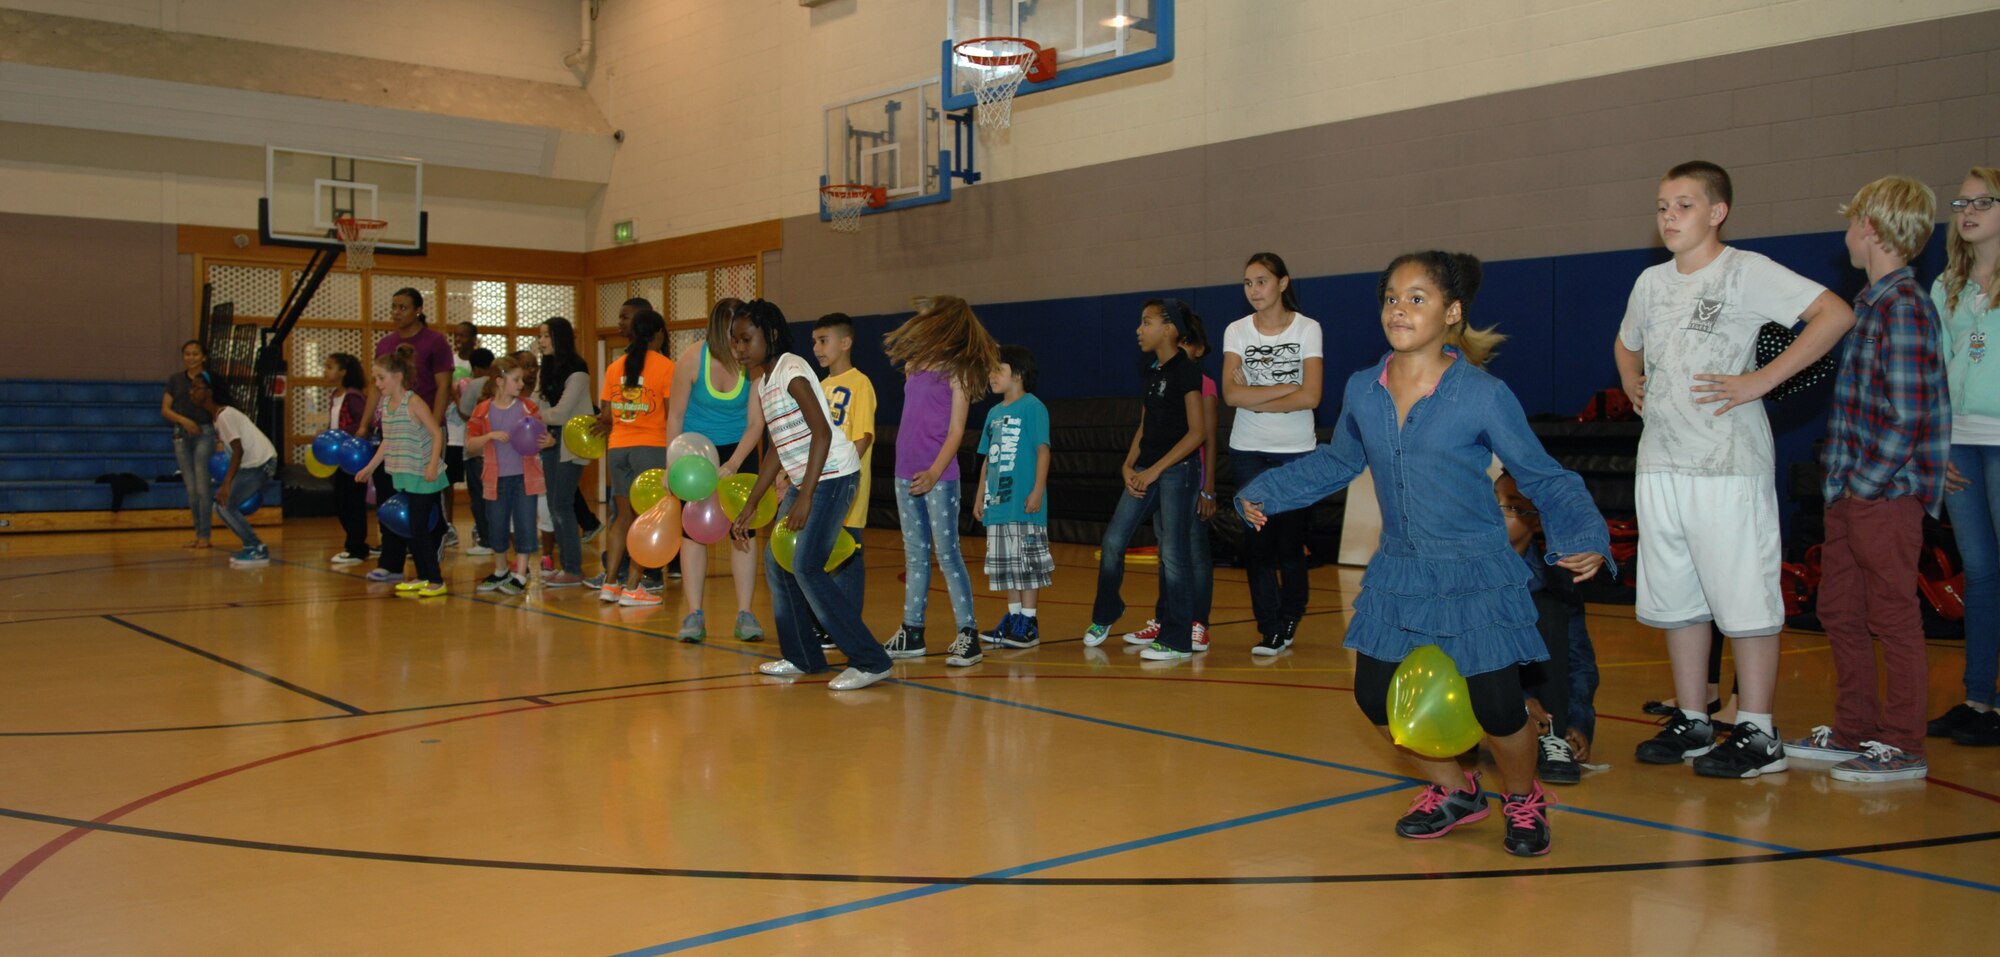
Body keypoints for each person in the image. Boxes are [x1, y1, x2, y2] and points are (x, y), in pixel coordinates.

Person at [1238, 251, 1608, 857]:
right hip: (1402, 567)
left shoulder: (1483, 395)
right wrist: (1265, 492)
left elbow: (1541, 474)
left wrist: (1585, 535)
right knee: (1373, 696)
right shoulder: (1363, 387)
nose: (1399, 309)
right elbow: (1339, 459)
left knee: (1496, 705)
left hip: (1473, 569)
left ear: (1452, 312)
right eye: (1391, 297)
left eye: (1417, 298)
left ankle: (1521, 798)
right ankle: (1458, 792)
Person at [1614, 161, 1856, 779]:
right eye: (1663, 206)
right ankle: (1694, 718)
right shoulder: (1649, 282)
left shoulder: (1747, 272)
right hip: (1662, 463)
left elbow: (1834, 315)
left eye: (1685, 205)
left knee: (1745, 600)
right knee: (1680, 601)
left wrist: (1759, 381)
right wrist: (1630, 380)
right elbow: (1627, 341)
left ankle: (1758, 730)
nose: (1670, 217)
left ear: (1717, 212)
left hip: (1727, 464)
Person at [1781, 176, 1947, 783]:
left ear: (1871, 229)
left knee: (1892, 616)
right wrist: (1843, 488)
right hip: (1852, 490)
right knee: (1840, 609)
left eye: (1853, 222)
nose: (1847, 233)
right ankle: (1854, 726)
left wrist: (1865, 485)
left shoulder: (1903, 307)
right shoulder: (1871, 303)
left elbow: (1906, 417)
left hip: (1884, 494)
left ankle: (1903, 740)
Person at [727, 299, 891, 691]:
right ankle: (803, 656)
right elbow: (777, 448)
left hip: (835, 475)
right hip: (808, 478)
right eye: (734, 341)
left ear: (769, 335)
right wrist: (751, 505)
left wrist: (805, 496)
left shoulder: (792, 370)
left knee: (806, 565)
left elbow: (821, 432)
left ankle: (871, 661)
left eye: (746, 339)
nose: (739, 348)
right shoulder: (762, 382)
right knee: (776, 563)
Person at [1082, 299, 1207, 662]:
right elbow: (1144, 426)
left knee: (1173, 553)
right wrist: (1129, 465)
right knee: (1113, 542)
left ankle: (1177, 638)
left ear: (1169, 329)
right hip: (1147, 471)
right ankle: (1106, 612)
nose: (1139, 329)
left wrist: (1156, 471)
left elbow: (1197, 432)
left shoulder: (1187, 370)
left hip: (1177, 472)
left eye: (1146, 322)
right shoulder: (1151, 372)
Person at [880, 296, 999, 663]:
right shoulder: (914, 365)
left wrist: (933, 472)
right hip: (905, 472)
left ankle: (968, 634)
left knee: (947, 555)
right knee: (915, 555)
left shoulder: (958, 371)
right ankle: (912, 631)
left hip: (940, 477)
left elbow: (956, 431)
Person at [1929, 166, 2000, 749]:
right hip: (1960, 442)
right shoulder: (1947, 284)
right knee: (1977, 572)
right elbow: (1934, 372)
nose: (1969, 210)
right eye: (1962, 202)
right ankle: (1979, 697)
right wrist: (1935, 444)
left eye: (1984, 201)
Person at [1223, 252, 1324, 656]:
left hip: (1296, 453)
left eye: (1261, 281)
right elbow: (1232, 395)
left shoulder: (1307, 328)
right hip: (1248, 450)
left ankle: (1291, 615)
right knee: (1257, 542)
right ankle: (1269, 627)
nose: (1254, 290)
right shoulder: (1237, 331)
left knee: (1289, 545)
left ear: (1283, 283)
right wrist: (1288, 390)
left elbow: (1313, 395)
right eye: (1248, 283)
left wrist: (1256, 396)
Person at [665, 299, 765, 641]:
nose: (739, 341)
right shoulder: (693, 358)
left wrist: (734, 463)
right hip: (695, 453)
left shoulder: (752, 365)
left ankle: (745, 613)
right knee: (693, 535)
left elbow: (755, 423)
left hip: (739, 451)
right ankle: (694, 614)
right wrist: (670, 464)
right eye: (735, 334)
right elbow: (675, 416)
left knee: (744, 532)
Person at [1121, 311, 1220, 653]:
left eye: (1190, 345)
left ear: (1200, 349)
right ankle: (1168, 620)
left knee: (1191, 551)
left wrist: (1208, 487)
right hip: (1168, 474)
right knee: (1169, 550)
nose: (1184, 351)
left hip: (1190, 476)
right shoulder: (1162, 376)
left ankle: (1196, 624)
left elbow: (1206, 438)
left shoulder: (1201, 383)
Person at [1496, 471, 1594, 785]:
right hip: (1471, 689)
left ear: (1537, 521)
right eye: (1490, 501)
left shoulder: (1557, 581)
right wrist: (1516, 697)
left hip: (1531, 693)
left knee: (1547, 612)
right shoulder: (1459, 567)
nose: (1495, 513)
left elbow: (1579, 659)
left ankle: (1554, 734)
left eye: (1510, 506)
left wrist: (1578, 720)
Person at [360, 288, 454, 584]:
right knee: (393, 507)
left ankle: (433, 569)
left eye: (403, 306)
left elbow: (443, 385)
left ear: (417, 309)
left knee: (421, 518)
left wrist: (433, 437)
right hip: (400, 450)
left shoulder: (434, 342)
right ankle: (394, 563)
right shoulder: (387, 346)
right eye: (393, 306)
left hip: (422, 435)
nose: (396, 311)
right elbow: (378, 399)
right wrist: (364, 427)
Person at [973, 344, 1053, 656]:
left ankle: (1029, 623)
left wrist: (1037, 490)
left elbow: (1043, 451)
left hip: (1023, 503)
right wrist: (980, 496)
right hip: (998, 504)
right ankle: (1014, 618)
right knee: (1006, 566)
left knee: (1027, 565)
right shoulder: (993, 413)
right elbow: (986, 460)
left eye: (998, 370)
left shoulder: (1033, 407)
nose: (991, 376)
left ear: (1017, 374)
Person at [598, 309, 674, 607]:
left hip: (618, 448)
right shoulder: (666, 367)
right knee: (648, 518)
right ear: (657, 335)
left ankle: (609, 584)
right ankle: (632, 587)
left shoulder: (614, 367)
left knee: (622, 518)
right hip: (651, 448)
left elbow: (606, 414)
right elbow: (671, 413)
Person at [813, 314, 878, 648]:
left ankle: (845, 626)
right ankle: (826, 621)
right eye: (814, 342)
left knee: (847, 559)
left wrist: (840, 474)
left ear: (845, 342)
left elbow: (863, 436)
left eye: (823, 340)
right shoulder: (817, 387)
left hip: (846, 488)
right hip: (819, 486)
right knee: (818, 556)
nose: (816, 348)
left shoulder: (860, 383)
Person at [466, 355, 554, 597]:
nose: (520, 384)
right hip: (494, 478)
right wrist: (489, 436)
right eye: (515, 380)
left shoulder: (528, 408)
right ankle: (501, 569)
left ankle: (521, 573)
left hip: (524, 478)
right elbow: (471, 445)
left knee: (526, 524)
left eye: (521, 380)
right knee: (497, 524)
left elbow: (543, 437)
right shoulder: (482, 410)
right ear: (500, 381)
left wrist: (548, 441)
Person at [189, 376, 278, 568]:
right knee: (220, 507)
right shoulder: (218, 417)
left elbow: (238, 450)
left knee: (224, 506)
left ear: (210, 391)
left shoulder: (224, 415)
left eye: (196, 387)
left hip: (261, 463)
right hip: (253, 464)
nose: (192, 392)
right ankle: (250, 546)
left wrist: (227, 484)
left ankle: (257, 548)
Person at [535, 317, 594, 588]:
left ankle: (573, 568)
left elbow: (560, 413)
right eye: (540, 336)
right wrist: (540, 419)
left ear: (560, 337)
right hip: (548, 440)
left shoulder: (578, 370)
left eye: (546, 336)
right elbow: (537, 402)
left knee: (562, 504)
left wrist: (538, 417)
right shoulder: (545, 368)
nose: (541, 341)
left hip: (570, 443)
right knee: (553, 505)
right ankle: (565, 566)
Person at [162, 339, 216, 549]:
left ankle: (205, 536)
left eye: (195, 354)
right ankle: (198, 534)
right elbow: (165, 409)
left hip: (205, 433)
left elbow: (219, 409)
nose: (190, 358)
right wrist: (184, 421)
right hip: (181, 435)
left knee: (203, 487)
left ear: (203, 357)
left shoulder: (210, 380)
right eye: (187, 354)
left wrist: (220, 438)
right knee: (191, 489)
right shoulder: (175, 380)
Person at [324, 353, 372, 566]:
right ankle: (356, 543)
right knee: (341, 501)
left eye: (330, 367)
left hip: (353, 455)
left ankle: (356, 547)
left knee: (351, 502)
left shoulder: (353, 396)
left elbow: (363, 423)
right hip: (339, 456)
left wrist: (341, 435)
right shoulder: (334, 395)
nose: (326, 370)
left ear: (343, 371)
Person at [455, 349, 498, 563]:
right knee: (496, 496)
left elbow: (465, 413)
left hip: (476, 449)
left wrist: (455, 396)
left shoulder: (474, 385)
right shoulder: (501, 382)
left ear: (475, 368)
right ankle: (498, 538)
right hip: (497, 449)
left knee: (479, 498)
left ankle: (486, 540)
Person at [443, 320, 478, 552]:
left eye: (464, 336)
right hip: (452, 432)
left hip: (474, 433)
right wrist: (456, 400)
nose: (459, 340)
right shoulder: (450, 362)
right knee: (447, 482)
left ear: (473, 338)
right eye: (456, 335)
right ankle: (448, 526)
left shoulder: (480, 362)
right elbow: (446, 389)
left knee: (477, 483)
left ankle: (480, 525)